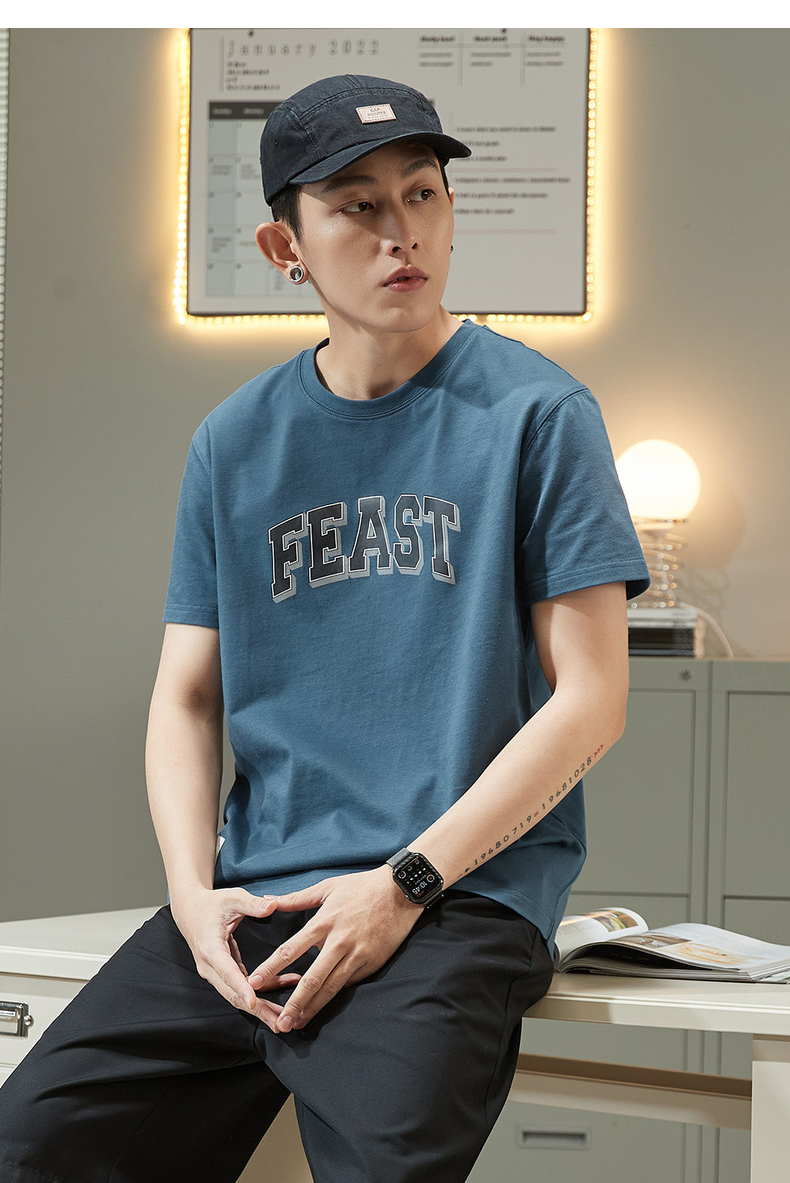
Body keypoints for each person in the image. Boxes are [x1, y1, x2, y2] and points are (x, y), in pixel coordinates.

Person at [0, 74, 649, 1182]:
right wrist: (190, 893)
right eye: (357, 206)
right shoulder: (234, 440)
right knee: (29, 1144)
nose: (403, 232)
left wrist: (405, 883)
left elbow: (592, 701)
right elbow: (186, 694)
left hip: (452, 896)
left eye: (423, 194)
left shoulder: (539, 415)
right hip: (259, 893)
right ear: (283, 246)